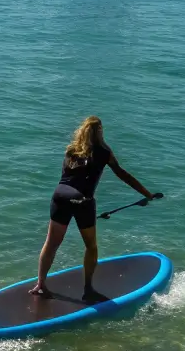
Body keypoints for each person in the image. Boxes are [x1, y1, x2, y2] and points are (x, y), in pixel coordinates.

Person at [29, 116, 160, 303]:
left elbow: (68, 177)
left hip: (59, 195)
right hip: (81, 200)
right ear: (99, 131)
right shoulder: (103, 151)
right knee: (91, 247)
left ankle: (40, 285)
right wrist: (147, 194)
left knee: (51, 244)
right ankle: (88, 289)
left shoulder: (71, 149)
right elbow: (123, 174)